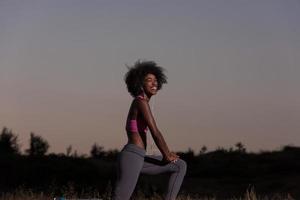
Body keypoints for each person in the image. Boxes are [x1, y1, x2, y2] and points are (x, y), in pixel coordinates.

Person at [112, 60, 187, 200]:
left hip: (140, 158)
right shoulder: (140, 102)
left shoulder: (143, 102)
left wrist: (168, 155)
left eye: (156, 80)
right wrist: (166, 155)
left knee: (180, 166)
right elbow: (155, 131)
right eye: (149, 80)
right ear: (140, 83)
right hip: (132, 157)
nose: (154, 83)